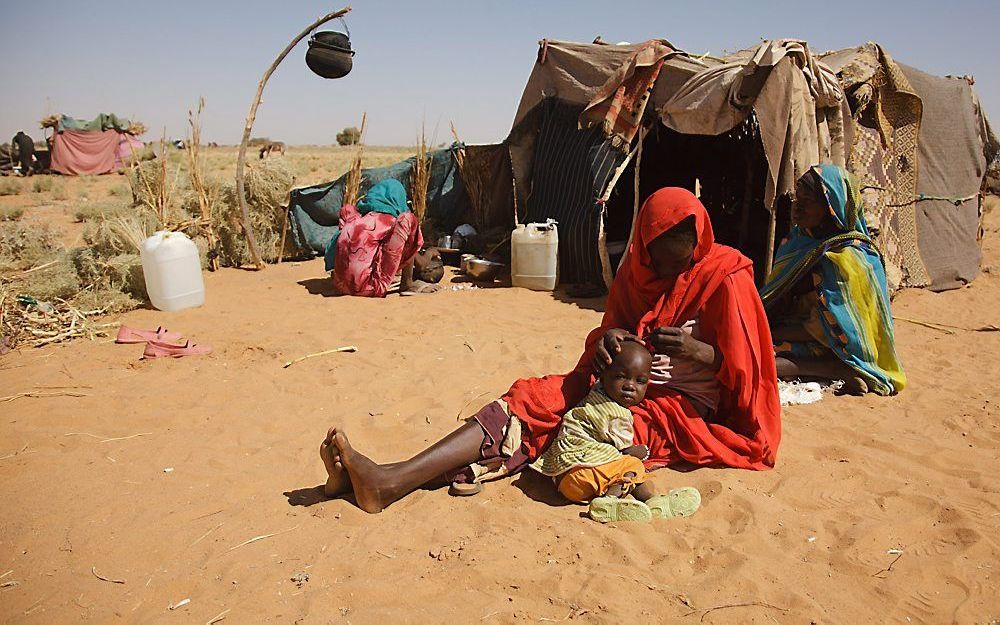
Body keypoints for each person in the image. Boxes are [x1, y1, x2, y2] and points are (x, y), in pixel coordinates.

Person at [318, 187, 781, 514]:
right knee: (532, 400)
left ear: (697, 245)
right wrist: (606, 344)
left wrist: (699, 351)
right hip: (617, 386)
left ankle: (393, 480)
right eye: (659, 259)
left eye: (680, 260)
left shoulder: (727, 278)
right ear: (644, 246)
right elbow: (610, 332)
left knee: (575, 433)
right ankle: (391, 477)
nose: (669, 272)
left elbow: (752, 370)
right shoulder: (637, 273)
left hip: (679, 410)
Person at [760, 164, 906, 396]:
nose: (798, 208)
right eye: (798, 199)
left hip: (834, 344)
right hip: (796, 327)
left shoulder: (848, 259)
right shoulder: (797, 242)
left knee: (756, 357)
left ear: (832, 207)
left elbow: (832, 332)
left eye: (808, 201)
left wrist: (770, 332)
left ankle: (837, 370)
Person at [529, 339, 700, 523]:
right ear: (603, 375)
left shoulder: (595, 393)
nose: (630, 386)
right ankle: (634, 501)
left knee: (616, 466)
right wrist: (643, 451)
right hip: (582, 475)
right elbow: (625, 451)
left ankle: (631, 500)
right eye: (620, 377)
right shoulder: (617, 415)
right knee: (633, 465)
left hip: (561, 478)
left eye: (640, 381)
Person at [325, 179, 440, 297]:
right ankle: (407, 284)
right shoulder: (390, 222)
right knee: (408, 220)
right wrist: (430, 253)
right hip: (370, 287)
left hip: (340, 285)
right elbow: (420, 264)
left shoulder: (356, 219)